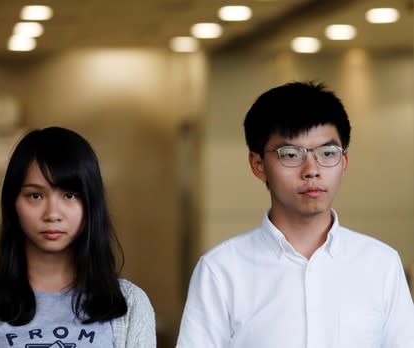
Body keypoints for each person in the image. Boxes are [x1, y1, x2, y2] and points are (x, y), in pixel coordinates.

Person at [176, 81, 414, 348]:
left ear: (344, 162)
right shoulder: (221, 270)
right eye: (290, 154)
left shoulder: (381, 264)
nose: (312, 170)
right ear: (258, 165)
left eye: (327, 153)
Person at [0, 127, 156, 347]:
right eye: (35, 195)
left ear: (90, 204)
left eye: (69, 195)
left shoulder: (130, 304)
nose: (52, 214)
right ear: (12, 204)